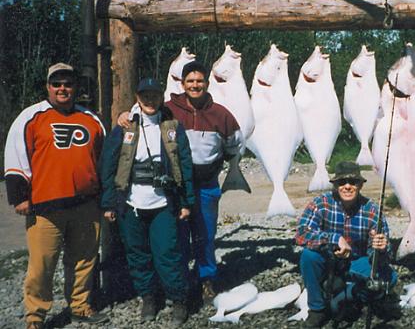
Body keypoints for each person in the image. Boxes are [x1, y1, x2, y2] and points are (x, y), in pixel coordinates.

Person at [118, 61, 243, 300]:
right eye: (190, 81)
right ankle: (181, 280)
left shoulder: (222, 114)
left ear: (207, 83)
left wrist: (217, 163)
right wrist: (124, 115)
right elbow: (142, 110)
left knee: (205, 234)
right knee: (178, 235)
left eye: (199, 81)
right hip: (175, 187)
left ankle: (207, 278)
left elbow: (234, 144)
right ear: (182, 83)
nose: (195, 85)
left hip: (207, 186)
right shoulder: (167, 109)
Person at [3, 63, 109, 329]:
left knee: (84, 260)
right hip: (45, 207)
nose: (62, 88)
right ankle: (35, 316)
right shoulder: (32, 116)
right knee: (41, 266)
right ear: (48, 86)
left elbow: (103, 160)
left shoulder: (91, 119)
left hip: (85, 204)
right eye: (56, 83)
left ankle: (80, 307)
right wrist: (20, 197)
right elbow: (16, 156)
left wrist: (104, 197)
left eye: (68, 83)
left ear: (75, 87)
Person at [100, 78, 194, 326]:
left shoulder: (173, 126)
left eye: (154, 95)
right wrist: (109, 203)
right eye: (145, 96)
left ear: (161, 97)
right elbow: (108, 166)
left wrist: (186, 202)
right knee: (138, 254)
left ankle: (179, 301)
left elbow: (184, 165)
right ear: (137, 98)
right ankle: (149, 298)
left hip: (164, 203)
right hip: (131, 203)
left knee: (168, 254)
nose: (150, 100)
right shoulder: (124, 127)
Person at [295, 161, 398, 328]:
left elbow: (382, 256)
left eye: (353, 182)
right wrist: (334, 239)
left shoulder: (372, 210)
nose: (347, 186)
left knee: (390, 278)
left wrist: (382, 248)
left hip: (357, 261)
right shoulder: (321, 203)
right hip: (329, 260)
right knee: (308, 256)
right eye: (342, 182)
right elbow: (301, 233)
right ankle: (317, 309)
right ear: (335, 185)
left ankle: (352, 293)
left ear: (360, 185)